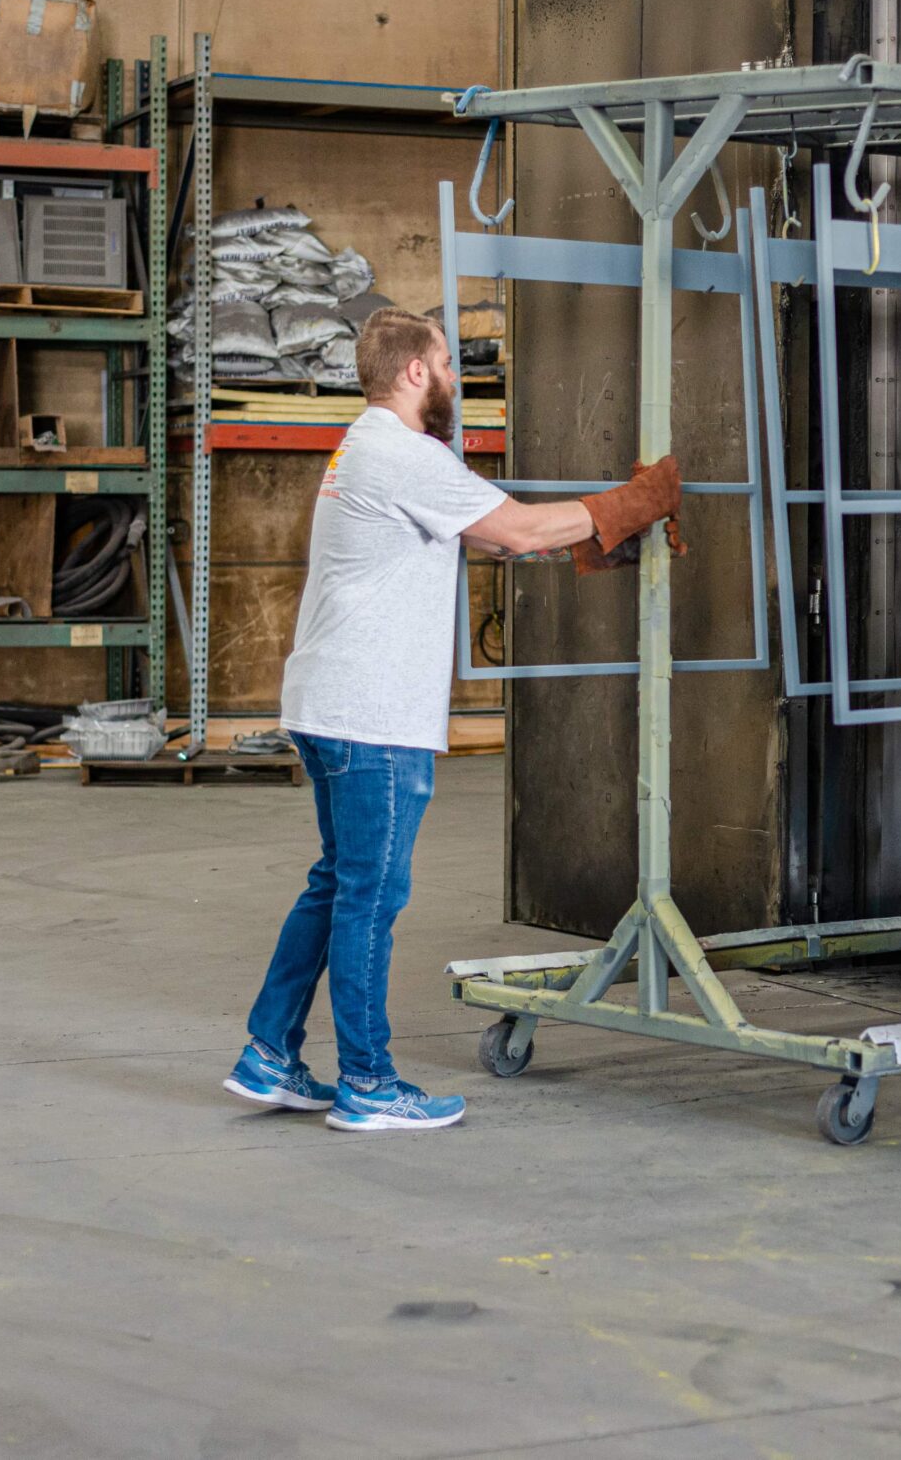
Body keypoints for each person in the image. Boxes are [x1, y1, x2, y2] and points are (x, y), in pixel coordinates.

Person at [223, 308, 681, 1132]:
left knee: (336, 885)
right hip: (374, 716)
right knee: (370, 896)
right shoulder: (402, 454)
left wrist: (601, 538)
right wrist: (633, 502)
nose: (454, 382)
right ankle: (367, 1083)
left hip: (332, 705)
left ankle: (269, 1053)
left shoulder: (366, 450)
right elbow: (517, 526)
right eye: (446, 365)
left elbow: (493, 541)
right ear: (413, 374)